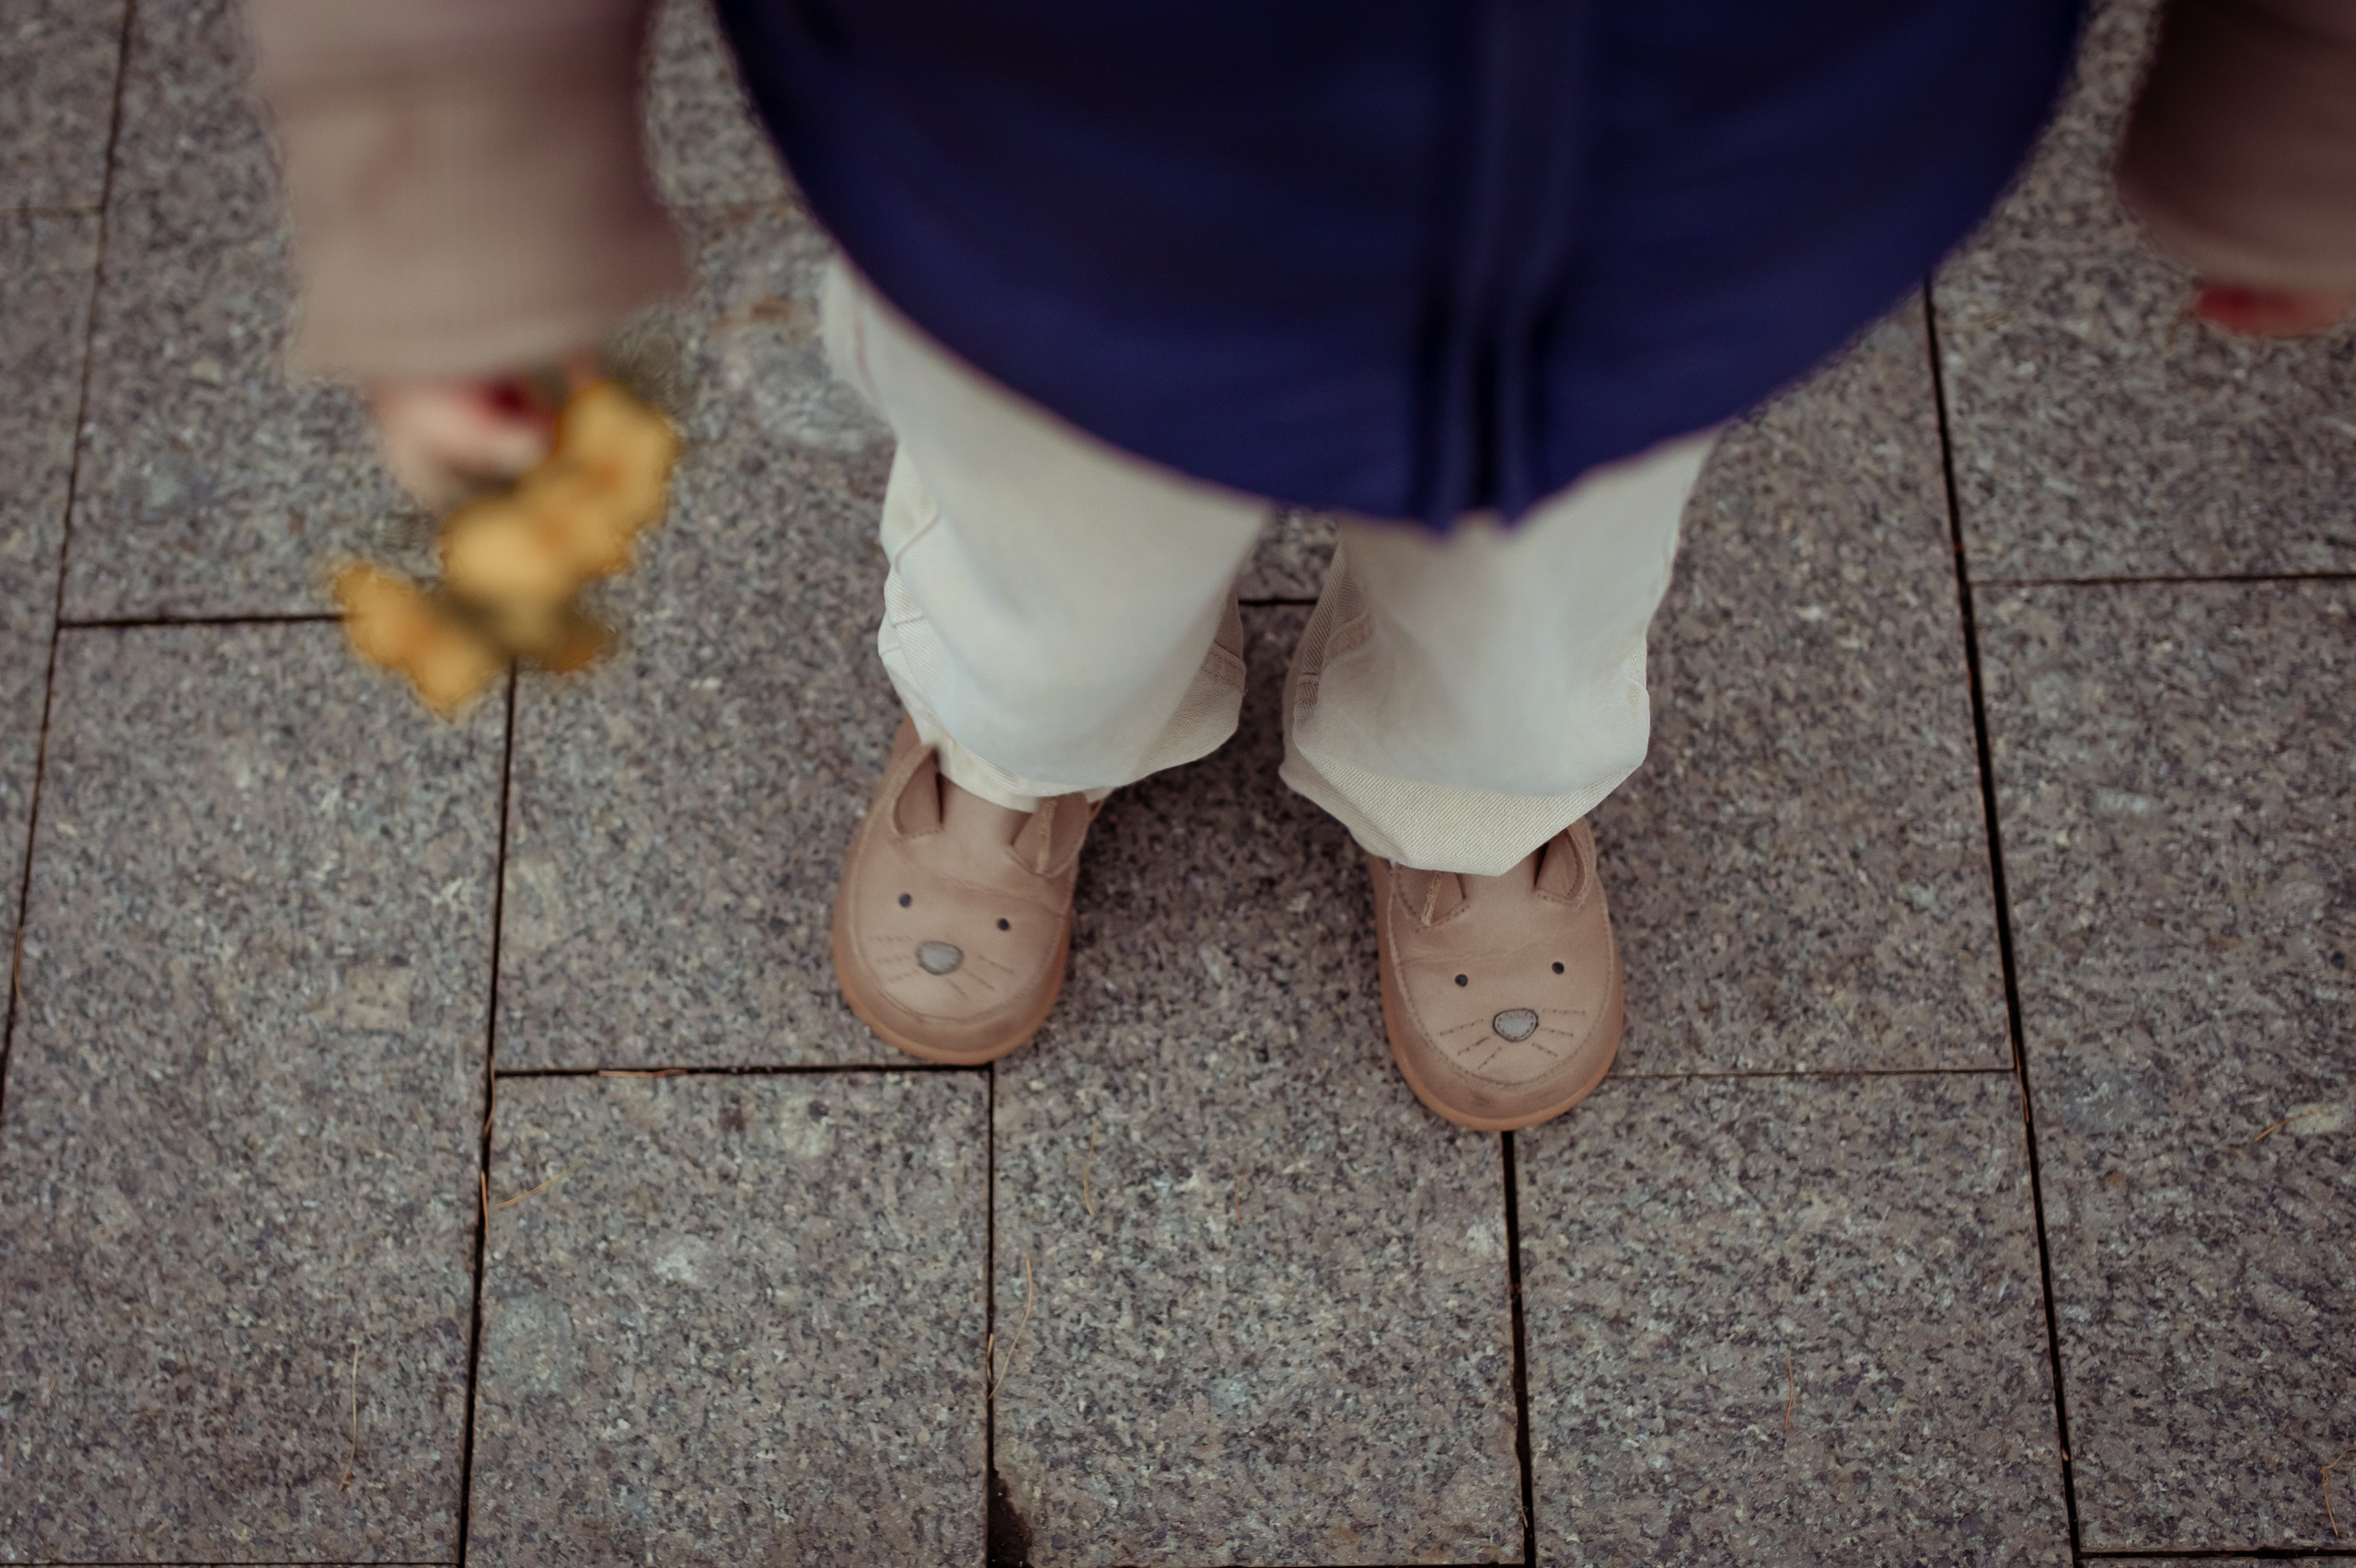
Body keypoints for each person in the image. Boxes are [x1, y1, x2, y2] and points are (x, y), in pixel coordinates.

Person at [244, 0, 2354, 1130]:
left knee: (1558, 552)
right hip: (1055, 158)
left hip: (1700, 180)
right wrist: (452, 151)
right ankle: (1022, 726)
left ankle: (1484, 783)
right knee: (1049, 515)